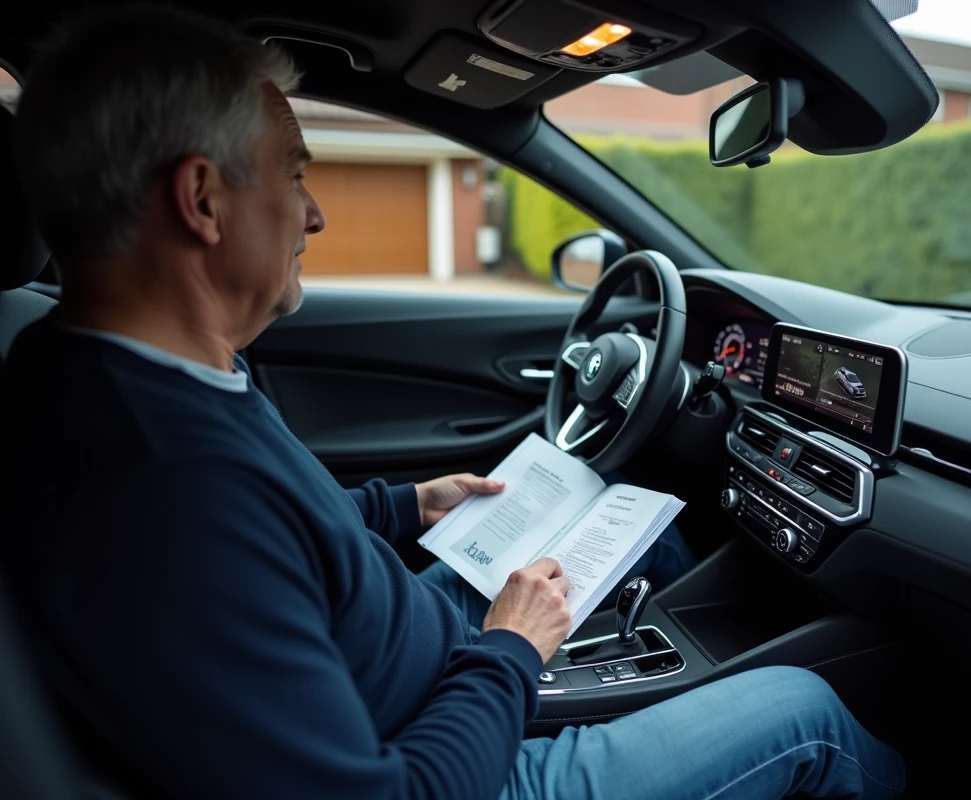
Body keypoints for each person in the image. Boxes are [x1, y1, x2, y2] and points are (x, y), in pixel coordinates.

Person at [0, 7, 906, 800]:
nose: (313, 215)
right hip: (454, 755)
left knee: (652, 532)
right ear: (200, 199)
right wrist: (511, 654)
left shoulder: (101, 368)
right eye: (293, 174)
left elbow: (281, 536)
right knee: (804, 711)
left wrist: (403, 505)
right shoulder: (162, 497)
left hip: (413, 660)